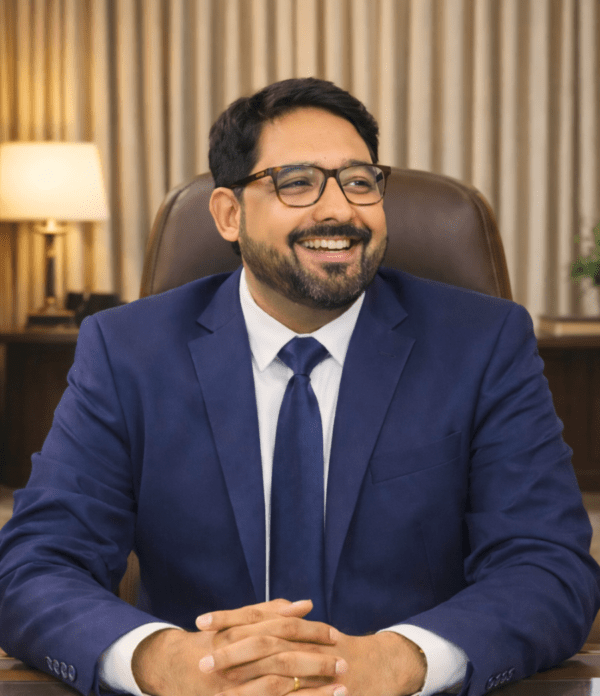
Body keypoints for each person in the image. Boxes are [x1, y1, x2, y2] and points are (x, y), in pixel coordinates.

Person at [0, 78, 598, 696]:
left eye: (359, 182)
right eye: (297, 182)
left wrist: (400, 661)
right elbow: (36, 564)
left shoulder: (482, 344)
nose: (339, 210)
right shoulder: (128, 351)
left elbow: (548, 566)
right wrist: (166, 663)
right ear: (229, 215)